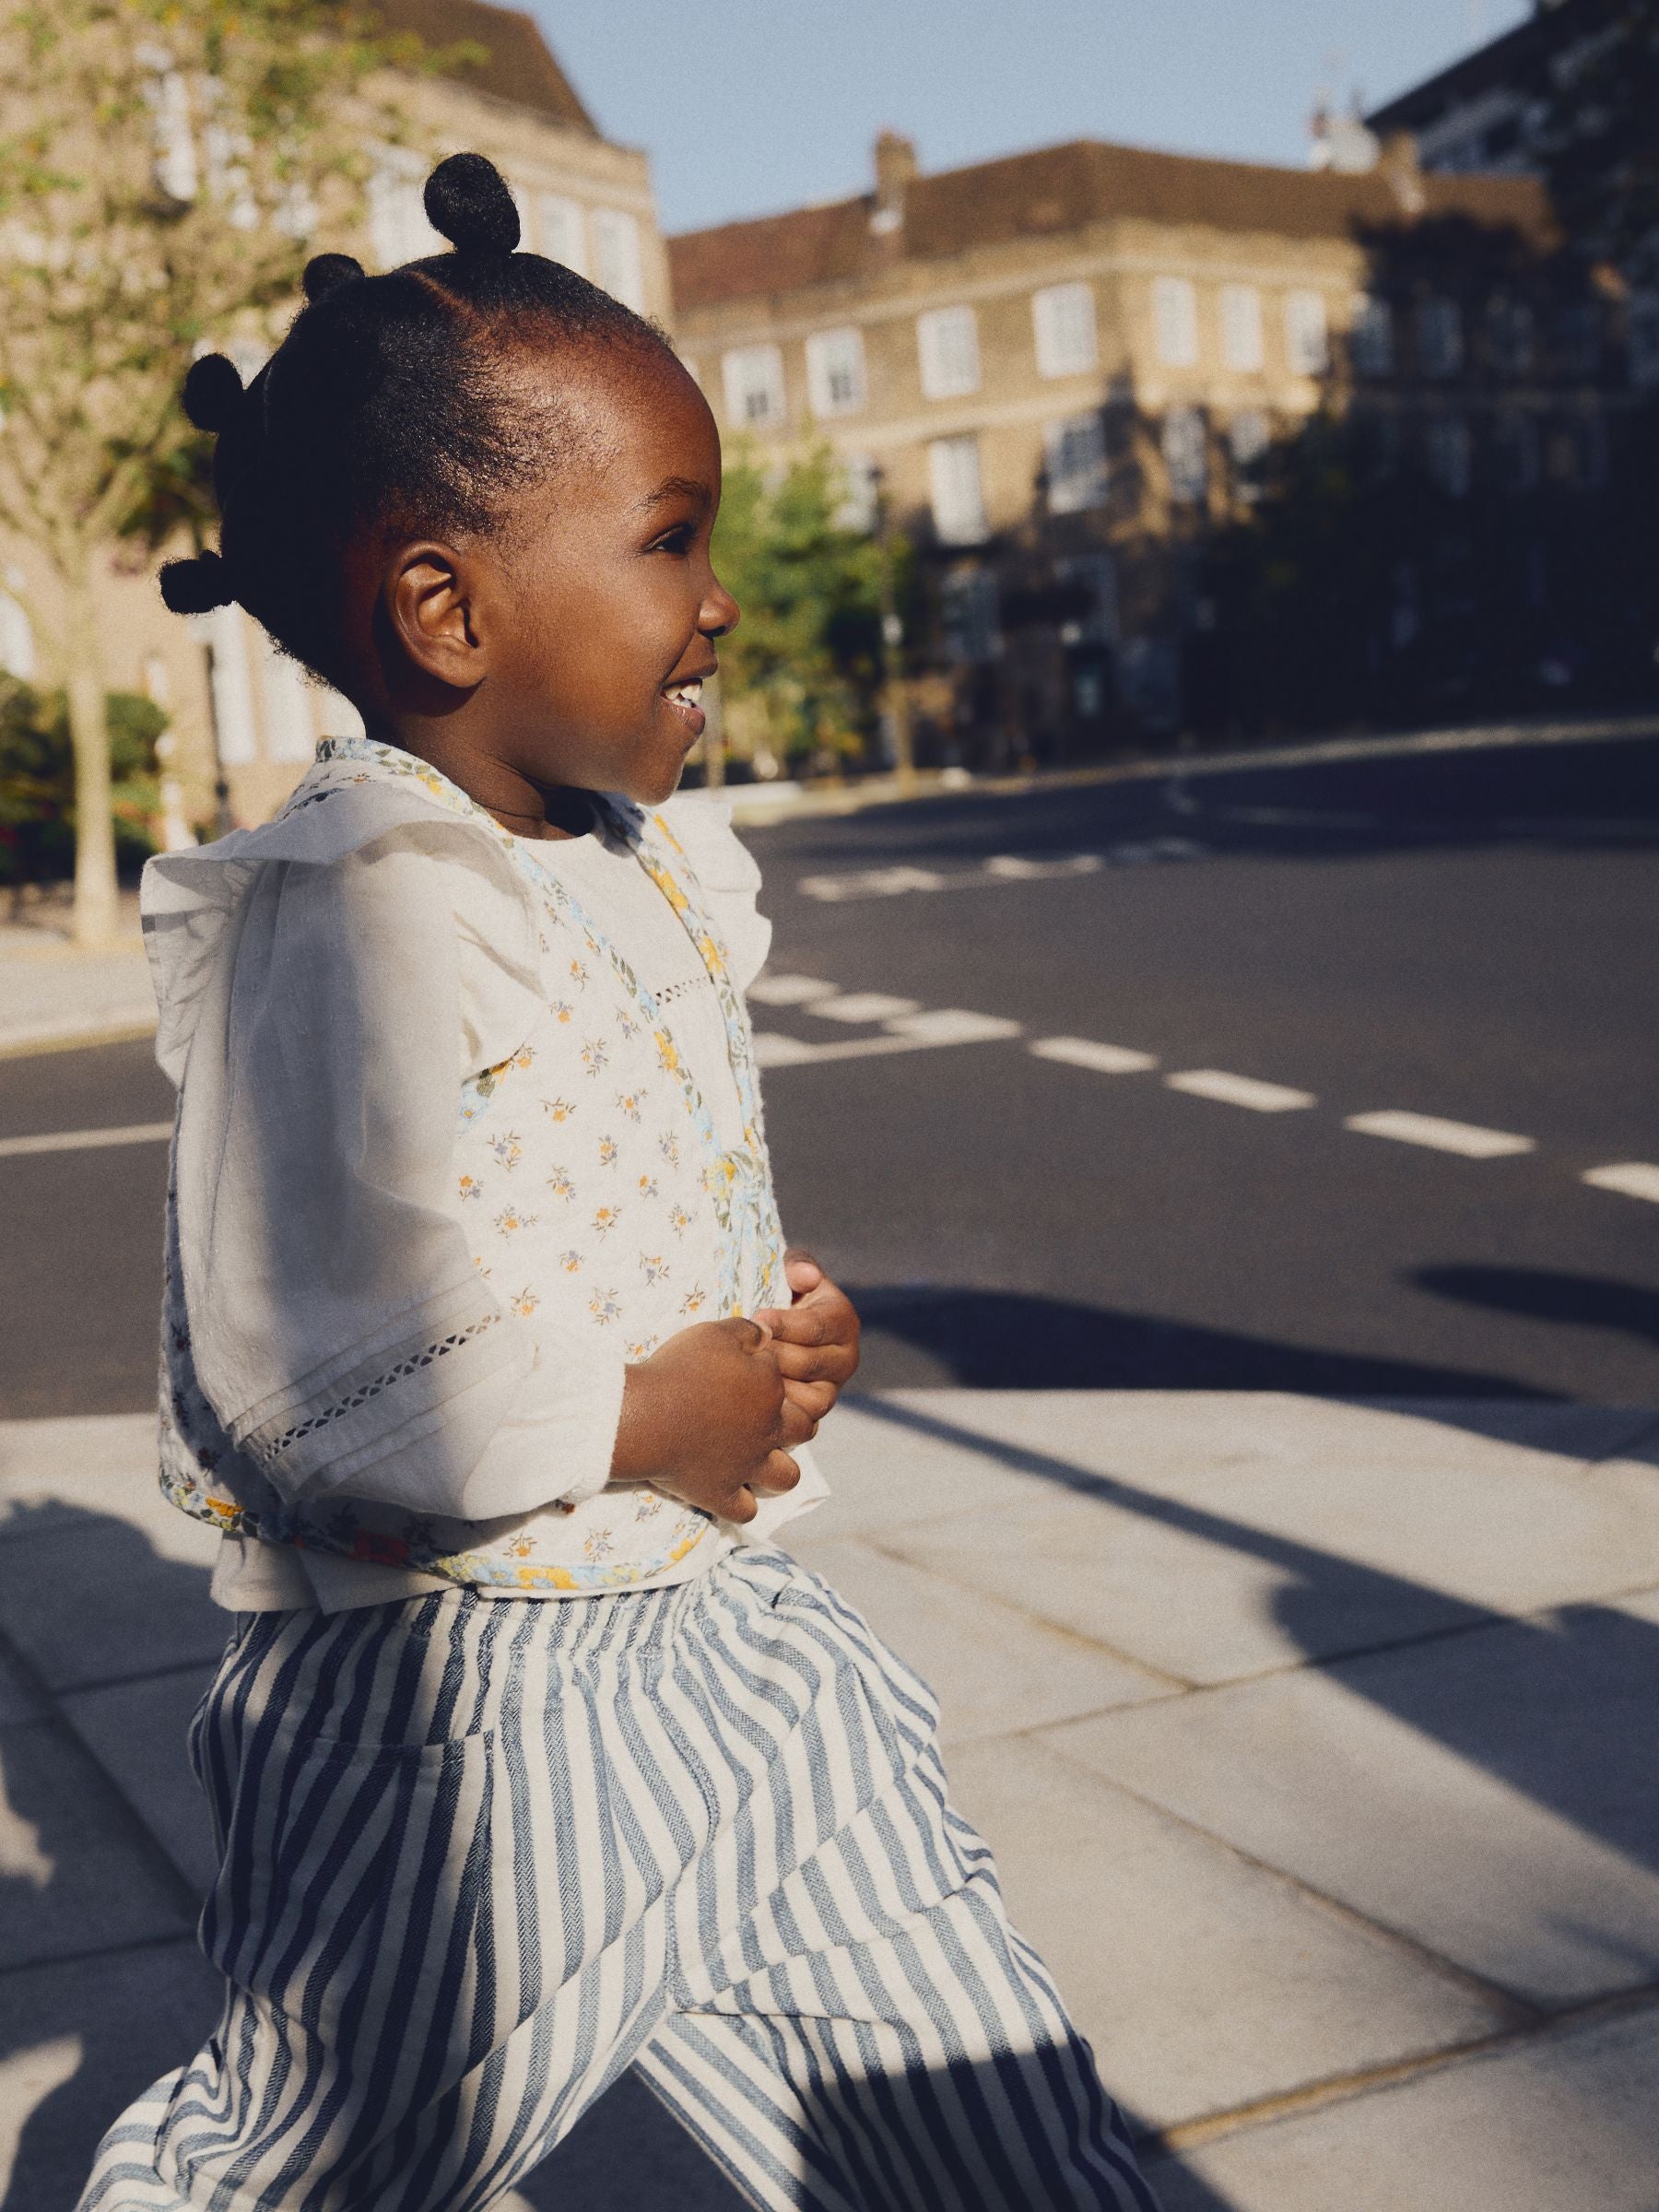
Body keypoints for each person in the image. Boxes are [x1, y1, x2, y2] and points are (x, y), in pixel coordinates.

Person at [78, 153, 1158, 2212]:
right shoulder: (352, 910)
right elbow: (319, 1373)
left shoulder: (618, 860)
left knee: (991, 2124)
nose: (723, 598)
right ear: (444, 607)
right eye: (676, 541)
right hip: (459, 1731)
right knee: (307, 2167)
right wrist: (666, 1409)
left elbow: (618, 1186)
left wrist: (763, 1336)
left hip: (735, 1656)